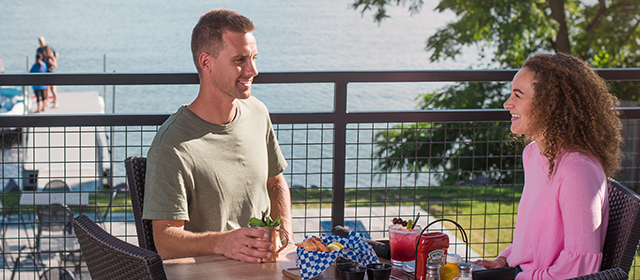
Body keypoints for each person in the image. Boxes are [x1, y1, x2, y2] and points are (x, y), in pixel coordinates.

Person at [142, 9, 292, 263]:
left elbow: (275, 183)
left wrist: (284, 235)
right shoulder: (172, 144)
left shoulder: (258, 112)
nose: (253, 70)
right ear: (206, 62)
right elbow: (165, 240)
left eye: (254, 58)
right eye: (240, 60)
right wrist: (222, 243)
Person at [473, 53, 622, 279]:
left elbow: (579, 268)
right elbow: (534, 239)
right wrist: (503, 260)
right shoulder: (533, 154)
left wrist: (516, 277)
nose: (507, 104)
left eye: (518, 95)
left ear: (549, 104)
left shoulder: (578, 170)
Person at [36, 37, 59, 108]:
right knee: (46, 88)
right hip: (44, 71)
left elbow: (55, 65)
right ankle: (47, 101)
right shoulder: (39, 50)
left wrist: (52, 62)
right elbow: (37, 59)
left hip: (51, 72)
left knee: (53, 89)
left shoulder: (50, 54)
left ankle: (55, 102)